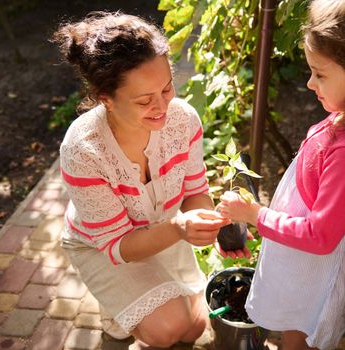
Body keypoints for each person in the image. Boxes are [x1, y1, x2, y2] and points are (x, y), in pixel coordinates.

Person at [217, 0, 345, 349]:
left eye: (320, 74)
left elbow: (321, 236)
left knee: (302, 332)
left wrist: (253, 215)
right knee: (296, 320)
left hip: (315, 265)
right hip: (303, 255)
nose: (309, 83)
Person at [52, 11, 231, 348]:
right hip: (105, 246)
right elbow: (120, 246)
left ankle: (131, 306)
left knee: (193, 328)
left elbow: (196, 191)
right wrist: (180, 229)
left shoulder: (184, 119)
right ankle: (117, 307)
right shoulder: (82, 151)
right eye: (145, 99)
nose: (163, 106)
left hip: (162, 229)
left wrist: (207, 221)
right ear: (106, 98)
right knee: (166, 331)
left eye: (166, 88)